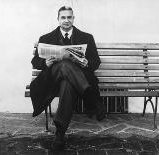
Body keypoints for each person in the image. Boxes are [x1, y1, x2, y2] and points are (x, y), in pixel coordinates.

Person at [30, 6, 106, 151]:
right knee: (64, 64)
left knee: (67, 85)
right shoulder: (46, 38)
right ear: (58, 19)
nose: (66, 20)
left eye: (69, 17)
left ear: (73, 18)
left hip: (72, 81)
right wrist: (45, 63)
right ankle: (91, 97)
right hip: (52, 80)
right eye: (63, 17)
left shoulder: (86, 37)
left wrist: (87, 62)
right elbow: (35, 61)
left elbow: (96, 61)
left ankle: (60, 133)